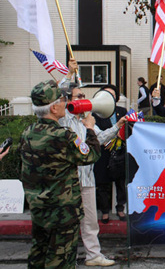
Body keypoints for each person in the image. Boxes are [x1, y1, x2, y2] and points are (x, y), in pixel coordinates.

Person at [20, 80, 101, 268]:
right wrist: (89, 129)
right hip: (62, 212)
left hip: (39, 208)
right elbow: (91, 155)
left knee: (39, 253)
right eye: (62, 100)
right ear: (54, 108)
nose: (65, 103)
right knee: (61, 259)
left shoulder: (28, 133)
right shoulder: (63, 136)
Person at [60, 84, 124, 266]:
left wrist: (117, 127)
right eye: (79, 96)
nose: (83, 99)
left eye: (83, 95)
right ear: (68, 100)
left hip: (87, 178)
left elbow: (100, 139)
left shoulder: (85, 119)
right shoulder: (63, 119)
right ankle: (66, 257)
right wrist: (68, 75)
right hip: (68, 181)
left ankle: (93, 255)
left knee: (89, 221)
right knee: (67, 222)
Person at [92, 84, 129, 224]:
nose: (110, 97)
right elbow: (97, 135)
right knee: (103, 183)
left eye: (112, 95)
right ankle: (105, 211)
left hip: (119, 153)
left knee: (121, 182)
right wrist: (107, 143)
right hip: (103, 152)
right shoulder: (95, 114)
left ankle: (120, 208)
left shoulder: (122, 111)